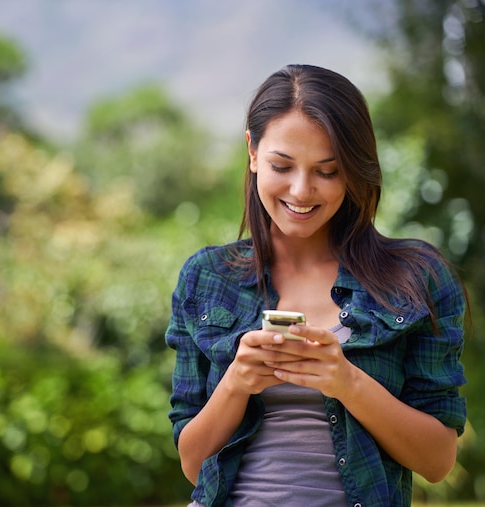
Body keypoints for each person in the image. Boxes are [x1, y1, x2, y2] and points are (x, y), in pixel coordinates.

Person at [165, 64, 467, 507]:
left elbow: (437, 461)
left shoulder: (416, 277)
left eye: (327, 171)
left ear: (354, 169)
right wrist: (236, 382)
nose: (302, 191)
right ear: (252, 152)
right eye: (281, 166)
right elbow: (193, 464)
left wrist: (346, 381)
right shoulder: (206, 278)